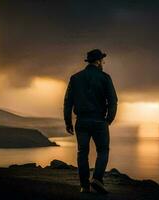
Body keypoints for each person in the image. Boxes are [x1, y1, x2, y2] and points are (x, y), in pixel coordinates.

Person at [63, 49, 118, 194]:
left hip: (81, 121)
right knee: (103, 151)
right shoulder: (105, 78)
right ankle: (97, 179)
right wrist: (109, 120)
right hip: (99, 121)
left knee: (82, 152)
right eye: (102, 61)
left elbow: (68, 102)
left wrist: (68, 122)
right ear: (98, 61)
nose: (103, 63)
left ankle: (84, 186)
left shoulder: (75, 78)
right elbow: (113, 101)